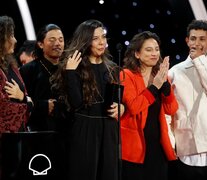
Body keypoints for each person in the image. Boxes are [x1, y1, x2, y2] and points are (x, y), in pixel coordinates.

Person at [51, 19, 125, 180]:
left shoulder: (112, 67)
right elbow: (76, 104)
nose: (101, 42)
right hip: (85, 128)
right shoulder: (75, 66)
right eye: (95, 38)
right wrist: (70, 73)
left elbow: (119, 99)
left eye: (103, 37)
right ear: (86, 40)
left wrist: (122, 107)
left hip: (109, 128)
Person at [119, 31, 178, 180]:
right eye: (148, 49)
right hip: (135, 148)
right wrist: (154, 88)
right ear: (137, 54)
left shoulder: (160, 75)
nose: (154, 53)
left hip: (158, 146)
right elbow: (134, 107)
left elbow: (172, 109)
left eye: (156, 49)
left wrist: (167, 90)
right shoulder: (126, 75)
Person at [167, 19, 207, 180]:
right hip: (187, 150)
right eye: (193, 38)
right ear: (187, 41)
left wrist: (199, 61)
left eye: (202, 39)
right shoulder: (174, 72)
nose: (197, 43)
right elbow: (167, 113)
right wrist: (170, 145)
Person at [0, 15, 32, 179]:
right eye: (11, 35)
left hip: (17, 138)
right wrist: (28, 103)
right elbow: (4, 110)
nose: (15, 39)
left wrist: (24, 99)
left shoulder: (12, 65)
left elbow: (25, 96)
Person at [19, 23, 65, 131]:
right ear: (40, 44)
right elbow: (22, 102)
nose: (57, 43)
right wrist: (43, 106)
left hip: (66, 133)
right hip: (37, 133)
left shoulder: (70, 68)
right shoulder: (28, 70)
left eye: (61, 40)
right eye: (52, 40)